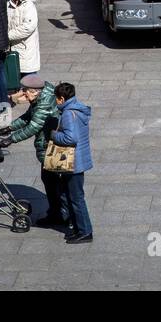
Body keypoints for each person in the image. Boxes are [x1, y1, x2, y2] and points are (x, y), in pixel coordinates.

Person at [0, 74, 63, 228]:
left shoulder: (44, 102)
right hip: (47, 146)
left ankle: (59, 215)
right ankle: (56, 213)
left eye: (25, 91)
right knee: (49, 180)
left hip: (50, 147)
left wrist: (11, 139)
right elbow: (28, 117)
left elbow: (34, 126)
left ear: (35, 91)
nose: (23, 94)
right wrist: (10, 127)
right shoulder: (39, 97)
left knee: (53, 182)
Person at [50, 82, 94, 244]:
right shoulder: (77, 107)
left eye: (56, 99)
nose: (56, 102)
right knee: (70, 196)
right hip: (79, 160)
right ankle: (78, 228)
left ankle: (85, 231)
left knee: (76, 198)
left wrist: (54, 136)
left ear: (61, 99)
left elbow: (71, 138)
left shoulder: (68, 113)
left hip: (73, 163)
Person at [7, 0, 41, 81]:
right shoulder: (8, 2)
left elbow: (28, 27)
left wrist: (7, 35)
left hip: (26, 51)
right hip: (12, 49)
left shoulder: (29, 6)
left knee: (29, 83)